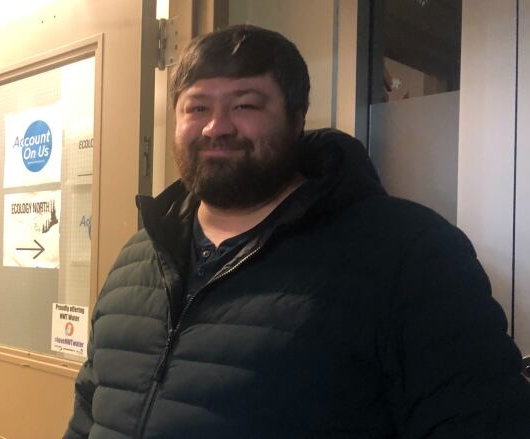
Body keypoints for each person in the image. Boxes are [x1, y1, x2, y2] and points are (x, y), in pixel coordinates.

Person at [64, 25, 530, 438]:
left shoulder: (410, 254)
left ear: (297, 116)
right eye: (197, 106)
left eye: (245, 104)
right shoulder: (138, 256)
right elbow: (88, 413)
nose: (215, 127)